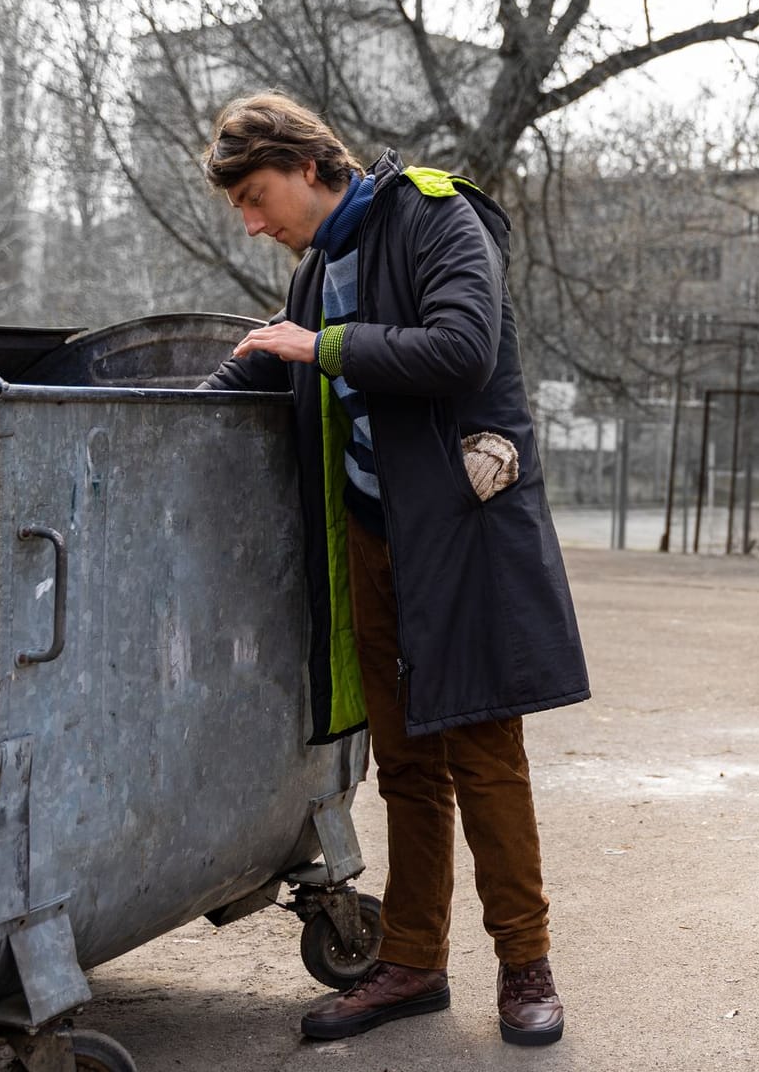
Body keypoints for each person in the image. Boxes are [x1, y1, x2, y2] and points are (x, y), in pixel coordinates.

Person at [197, 93, 590, 1048]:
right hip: (373, 538)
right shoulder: (317, 268)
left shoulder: (435, 215)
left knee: (485, 755)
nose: (253, 222)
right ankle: (410, 964)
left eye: (256, 197)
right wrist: (174, 405)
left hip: (460, 536)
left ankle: (525, 966)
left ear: (306, 165)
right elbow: (269, 366)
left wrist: (320, 345)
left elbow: (462, 348)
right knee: (408, 765)